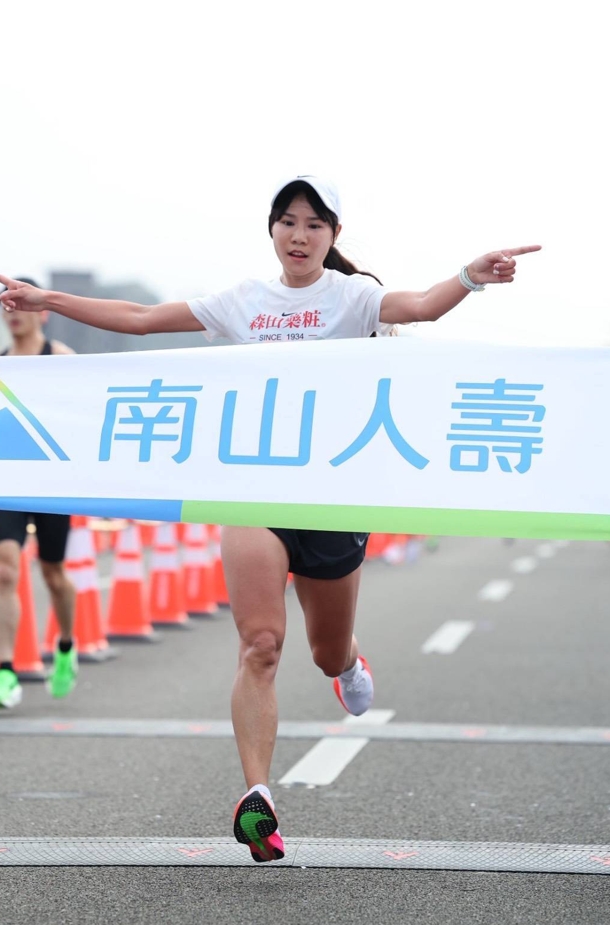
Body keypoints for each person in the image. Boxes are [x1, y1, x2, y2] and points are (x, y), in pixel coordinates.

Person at [0, 176, 541, 860]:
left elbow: (422, 306)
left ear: (333, 234)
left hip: (331, 500)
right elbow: (140, 317)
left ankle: (348, 664)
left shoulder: (353, 297)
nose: (299, 235)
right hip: (254, 494)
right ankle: (259, 796)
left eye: (314, 223)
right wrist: (46, 299)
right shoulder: (243, 302)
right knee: (260, 643)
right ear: (272, 230)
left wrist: (470, 275)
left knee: (325, 651)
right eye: (287, 221)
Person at [0, 278, 78, 708]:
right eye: (6, 307)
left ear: (41, 312)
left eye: (19, 305)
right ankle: (5, 670)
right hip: (8, 484)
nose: (12, 314)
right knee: (5, 569)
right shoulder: (2, 364)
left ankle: (65, 645)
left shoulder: (60, 358)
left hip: (52, 484)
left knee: (53, 574)